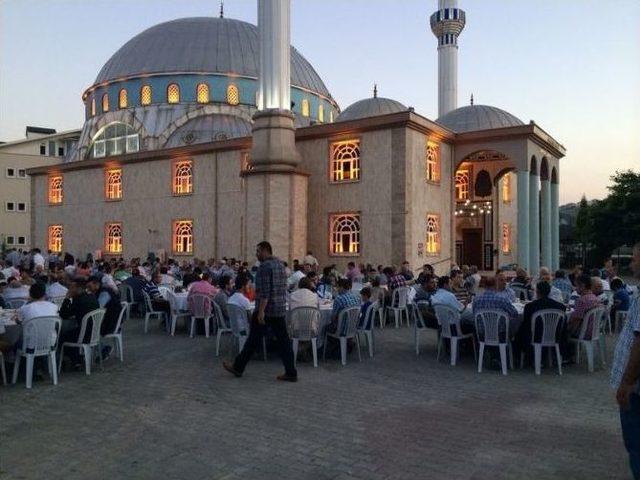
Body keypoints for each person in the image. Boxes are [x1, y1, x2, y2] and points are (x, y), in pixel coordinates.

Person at [223, 241, 297, 382]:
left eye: (258, 251)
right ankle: (291, 371)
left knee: (252, 340)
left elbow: (265, 292)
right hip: (279, 309)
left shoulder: (264, 267)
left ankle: (238, 367)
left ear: (265, 250)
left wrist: (261, 311)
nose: (256, 254)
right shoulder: (281, 265)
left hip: (267, 310)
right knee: (283, 341)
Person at [610, 242, 640, 479]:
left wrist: (626, 382)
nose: (631, 263)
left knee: (636, 444)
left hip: (635, 388)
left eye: (634, 259)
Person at [514, 281, 566, 360]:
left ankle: (519, 357)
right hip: (554, 335)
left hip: (534, 336)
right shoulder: (561, 307)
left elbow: (526, 323)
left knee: (519, 331)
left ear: (537, 291)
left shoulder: (530, 306)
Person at [567, 274, 599, 339]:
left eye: (576, 286)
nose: (575, 289)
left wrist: (567, 330)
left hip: (582, 333)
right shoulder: (595, 298)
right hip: (593, 332)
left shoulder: (582, 300)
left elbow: (576, 321)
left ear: (582, 286)